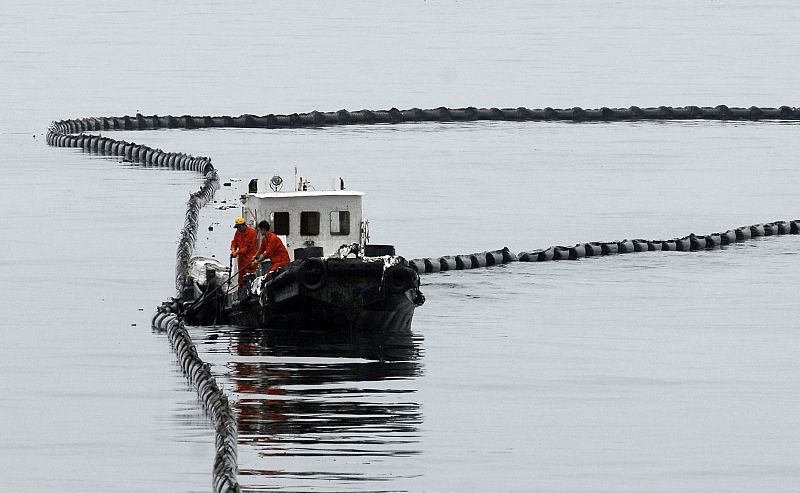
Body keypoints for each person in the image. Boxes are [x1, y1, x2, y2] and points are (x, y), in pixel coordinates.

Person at [230, 216, 258, 287]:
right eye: (237, 228)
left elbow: (249, 247)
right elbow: (234, 242)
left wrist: (237, 253)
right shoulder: (238, 232)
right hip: (241, 260)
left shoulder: (252, 233)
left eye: (239, 227)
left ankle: (251, 292)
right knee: (241, 278)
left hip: (250, 259)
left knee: (250, 277)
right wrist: (233, 250)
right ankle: (241, 292)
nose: (238, 229)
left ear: (244, 225)